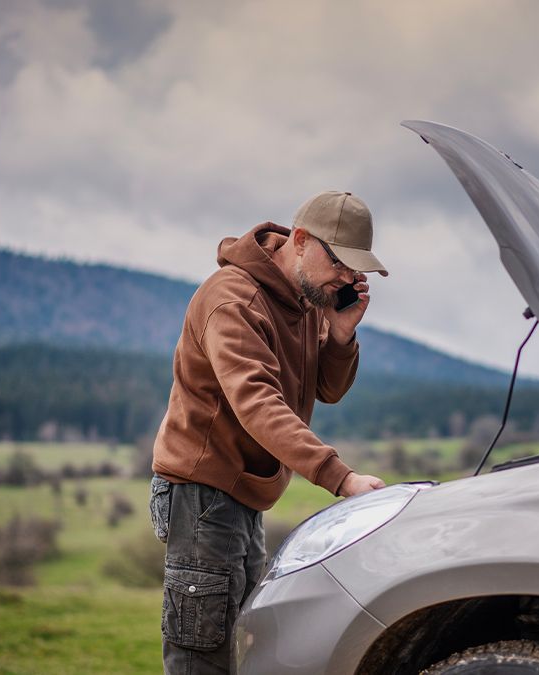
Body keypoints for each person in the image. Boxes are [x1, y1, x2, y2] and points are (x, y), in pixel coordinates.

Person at [147, 190, 390, 673]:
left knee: (240, 645)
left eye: (354, 268)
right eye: (339, 262)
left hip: (246, 496)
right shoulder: (231, 299)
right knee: (203, 656)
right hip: (202, 497)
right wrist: (339, 477)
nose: (347, 277)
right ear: (300, 240)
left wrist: (340, 336)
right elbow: (257, 402)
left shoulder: (304, 300)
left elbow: (326, 388)